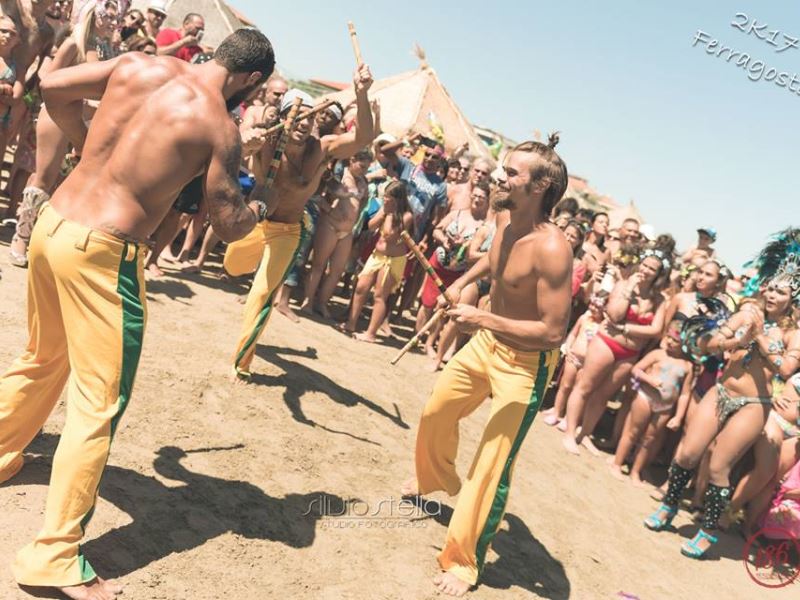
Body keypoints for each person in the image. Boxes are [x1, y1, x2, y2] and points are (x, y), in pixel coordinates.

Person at [0, 28, 276, 599]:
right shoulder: (219, 126)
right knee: (98, 404)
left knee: (43, 357)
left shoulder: (139, 65)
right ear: (249, 80)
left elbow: (50, 84)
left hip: (56, 223)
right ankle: (52, 556)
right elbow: (226, 222)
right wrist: (258, 214)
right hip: (105, 251)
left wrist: (84, 142)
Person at [401, 135, 572, 597]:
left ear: (539, 188)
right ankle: (437, 480)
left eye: (512, 172)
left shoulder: (553, 248)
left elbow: (554, 332)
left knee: (493, 464)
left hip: (526, 364)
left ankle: (462, 562)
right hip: (485, 344)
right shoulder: (502, 213)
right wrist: (465, 285)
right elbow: (493, 264)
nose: (499, 176)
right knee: (437, 411)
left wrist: (482, 317)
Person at [644, 229, 800, 559]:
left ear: (794, 298)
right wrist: (730, 342)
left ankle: (710, 529)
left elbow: (784, 371)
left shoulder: (792, 334)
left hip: (754, 404)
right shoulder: (746, 313)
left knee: (718, 466)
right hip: (721, 391)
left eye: (781, 291)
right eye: (770, 287)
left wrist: (758, 338)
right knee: (687, 453)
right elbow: (709, 343)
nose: (772, 294)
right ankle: (669, 505)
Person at [227, 66, 375, 382]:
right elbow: (232, 146)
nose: (305, 122)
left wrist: (362, 93)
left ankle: (242, 362)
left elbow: (363, 137)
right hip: (254, 221)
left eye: (312, 116)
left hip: (287, 231)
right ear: (284, 116)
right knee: (232, 267)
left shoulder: (321, 150)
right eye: (299, 115)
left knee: (262, 293)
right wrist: (245, 142)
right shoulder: (267, 141)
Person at [9, 0, 122, 268]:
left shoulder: (107, 50)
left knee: (67, 181)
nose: (113, 21)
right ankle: (21, 237)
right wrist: (80, 99)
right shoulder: (74, 43)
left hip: (88, 120)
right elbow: (49, 81)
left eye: (116, 16)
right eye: (109, 14)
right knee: (43, 178)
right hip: (59, 114)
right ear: (94, 13)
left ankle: (42, 237)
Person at [562, 248, 672, 455]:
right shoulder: (623, 285)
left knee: (603, 395)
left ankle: (584, 434)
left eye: (652, 269)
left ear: (659, 275)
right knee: (585, 386)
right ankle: (569, 433)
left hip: (630, 352)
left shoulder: (659, 300)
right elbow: (613, 314)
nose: (646, 271)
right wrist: (629, 289)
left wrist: (625, 328)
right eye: (645, 265)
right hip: (606, 343)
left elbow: (656, 330)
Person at [609, 321, 693, 486]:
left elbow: (685, 394)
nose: (669, 341)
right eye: (668, 336)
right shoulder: (657, 354)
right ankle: (617, 463)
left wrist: (678, 416)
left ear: (685, 344)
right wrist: (649, 379)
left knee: (649, 439)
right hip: (645, 397)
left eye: (675, 340)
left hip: (665, 406)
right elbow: (636, 369)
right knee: (632, 432)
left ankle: (635, 471)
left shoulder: (687, 366)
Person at [301, 148, 372, 319]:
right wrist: (329, 211)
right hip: (330, 224)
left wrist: (354, 221)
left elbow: (363, 202)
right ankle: (308, 301)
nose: (364, 170)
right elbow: (318, 196)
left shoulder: (363, 181)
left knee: (337, 270)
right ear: (352, 160)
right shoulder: (339, 174)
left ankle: (322, 303)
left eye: (367, 168)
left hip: (347, 230)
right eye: (362, 166)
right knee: (318, 265)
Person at [344, 180, 413, 341]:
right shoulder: (385, 208)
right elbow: (371, 225)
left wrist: (389, 214)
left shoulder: (407, 216)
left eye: (388, 197)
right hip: (377, 255)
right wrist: (383, 212)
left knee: (380, 295)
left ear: (397, 199)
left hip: (393, 259)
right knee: (361, 287)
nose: (384, 199)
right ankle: (351, 323)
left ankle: (371, 333)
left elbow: (389, 236)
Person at [541, 294, 604, 428]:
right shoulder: (584, 318)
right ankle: (557, 412)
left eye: (597, 307)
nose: (593, 308)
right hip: (573, 357)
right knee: (565, 386)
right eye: (592, 304)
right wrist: (568, 347)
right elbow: (573, 334)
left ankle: (568, 419)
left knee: (577, 390)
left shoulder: (603, 326)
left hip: (588, 363)